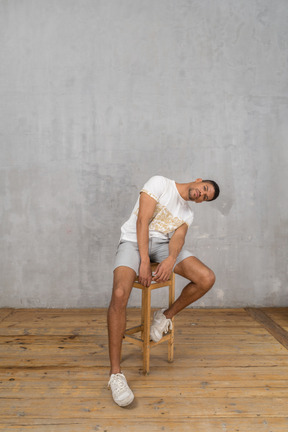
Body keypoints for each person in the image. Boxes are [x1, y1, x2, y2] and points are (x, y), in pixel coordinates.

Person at [107, 175, 220, 407]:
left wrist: (170, 258)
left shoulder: (188, 213)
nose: (202, 195)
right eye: (205, 189)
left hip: (161, 247)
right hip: (132, 242)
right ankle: (115, 375)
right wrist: (144, 261)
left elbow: (178, 237)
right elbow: (142, 221)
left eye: (206, 198)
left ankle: (165, 316)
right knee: (119, 293)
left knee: (206, 278)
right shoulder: (160, 183)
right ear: (199, 181)